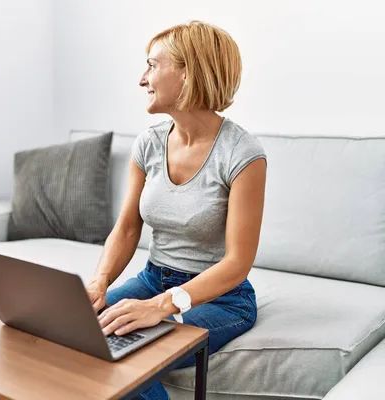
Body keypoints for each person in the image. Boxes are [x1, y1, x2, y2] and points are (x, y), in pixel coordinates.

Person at [85, 20, 267, 400]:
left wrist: (162, 306)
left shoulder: (242, 154)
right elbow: (126, 229)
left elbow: (237, 263)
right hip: (153, 278)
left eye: (152, 65)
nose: (141, 79)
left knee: (135, 354)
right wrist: (100, 281)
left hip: (221, 299)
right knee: (79, 332)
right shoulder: (148, 144)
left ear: (189, 72)